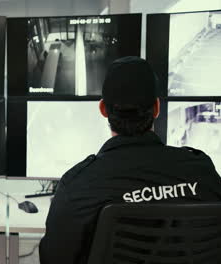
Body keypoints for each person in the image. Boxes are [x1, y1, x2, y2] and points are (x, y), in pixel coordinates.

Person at [39, 56, 221, 264]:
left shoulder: (77, 187)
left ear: (103, 109)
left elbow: (52, 259)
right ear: (157, 108)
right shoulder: (202, 171)